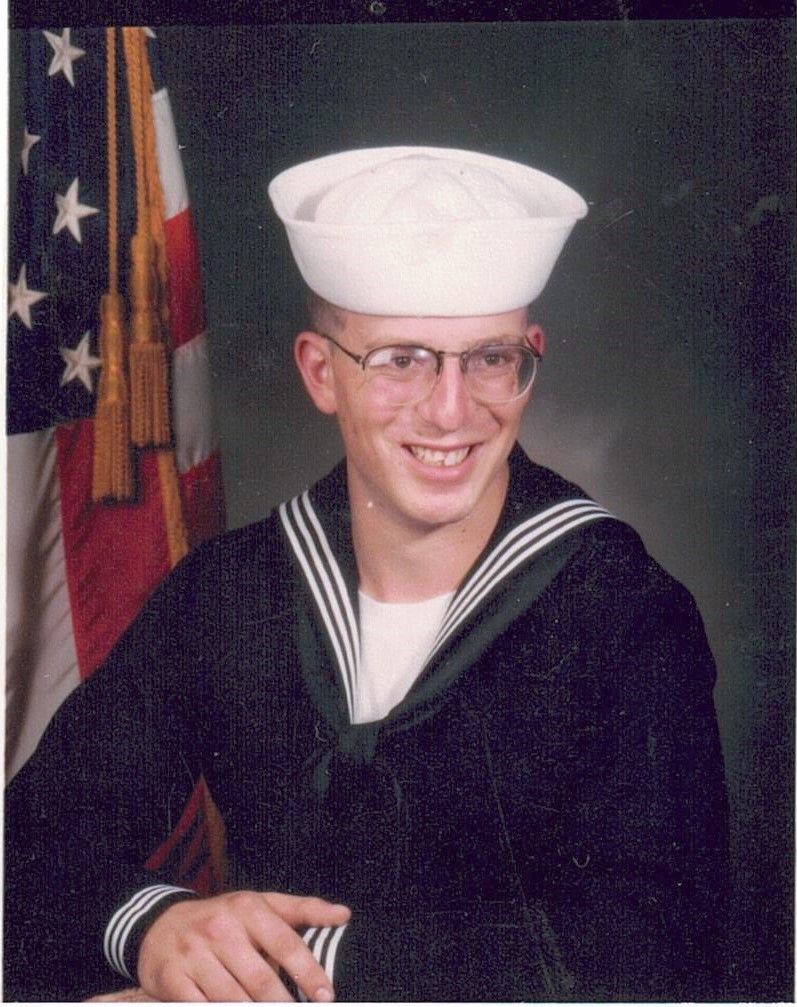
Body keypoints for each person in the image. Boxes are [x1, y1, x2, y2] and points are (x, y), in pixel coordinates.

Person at [4, 146, 729, 1002]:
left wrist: (284, 966)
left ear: (530, 357)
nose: (451, 410)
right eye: (401, 360)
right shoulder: (230, 595)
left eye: (489, 358)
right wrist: (157, 925)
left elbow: (655, 952)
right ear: (320, 371)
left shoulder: (624, 612)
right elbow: (31, 848)